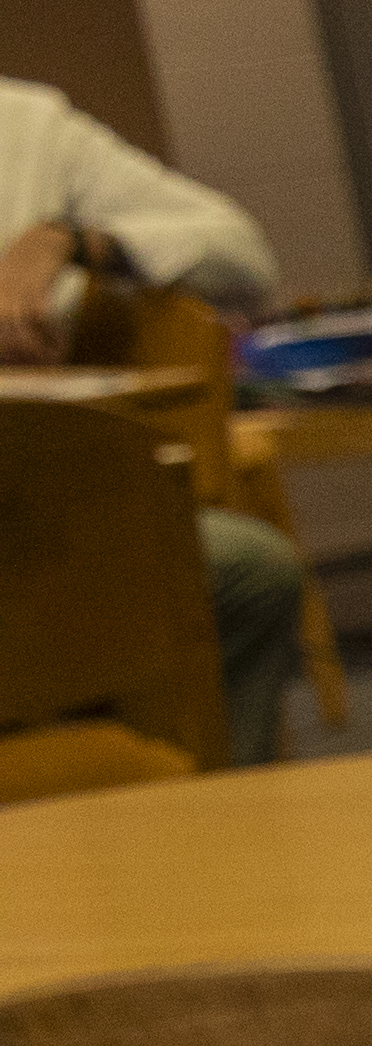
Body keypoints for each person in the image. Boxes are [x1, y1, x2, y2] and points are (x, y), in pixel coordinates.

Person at [0, 75, 317, 763]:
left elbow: (242, 255)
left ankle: (212, 834)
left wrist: (73, 243)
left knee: (249, 570)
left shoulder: (24, 126)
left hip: (38, 504)